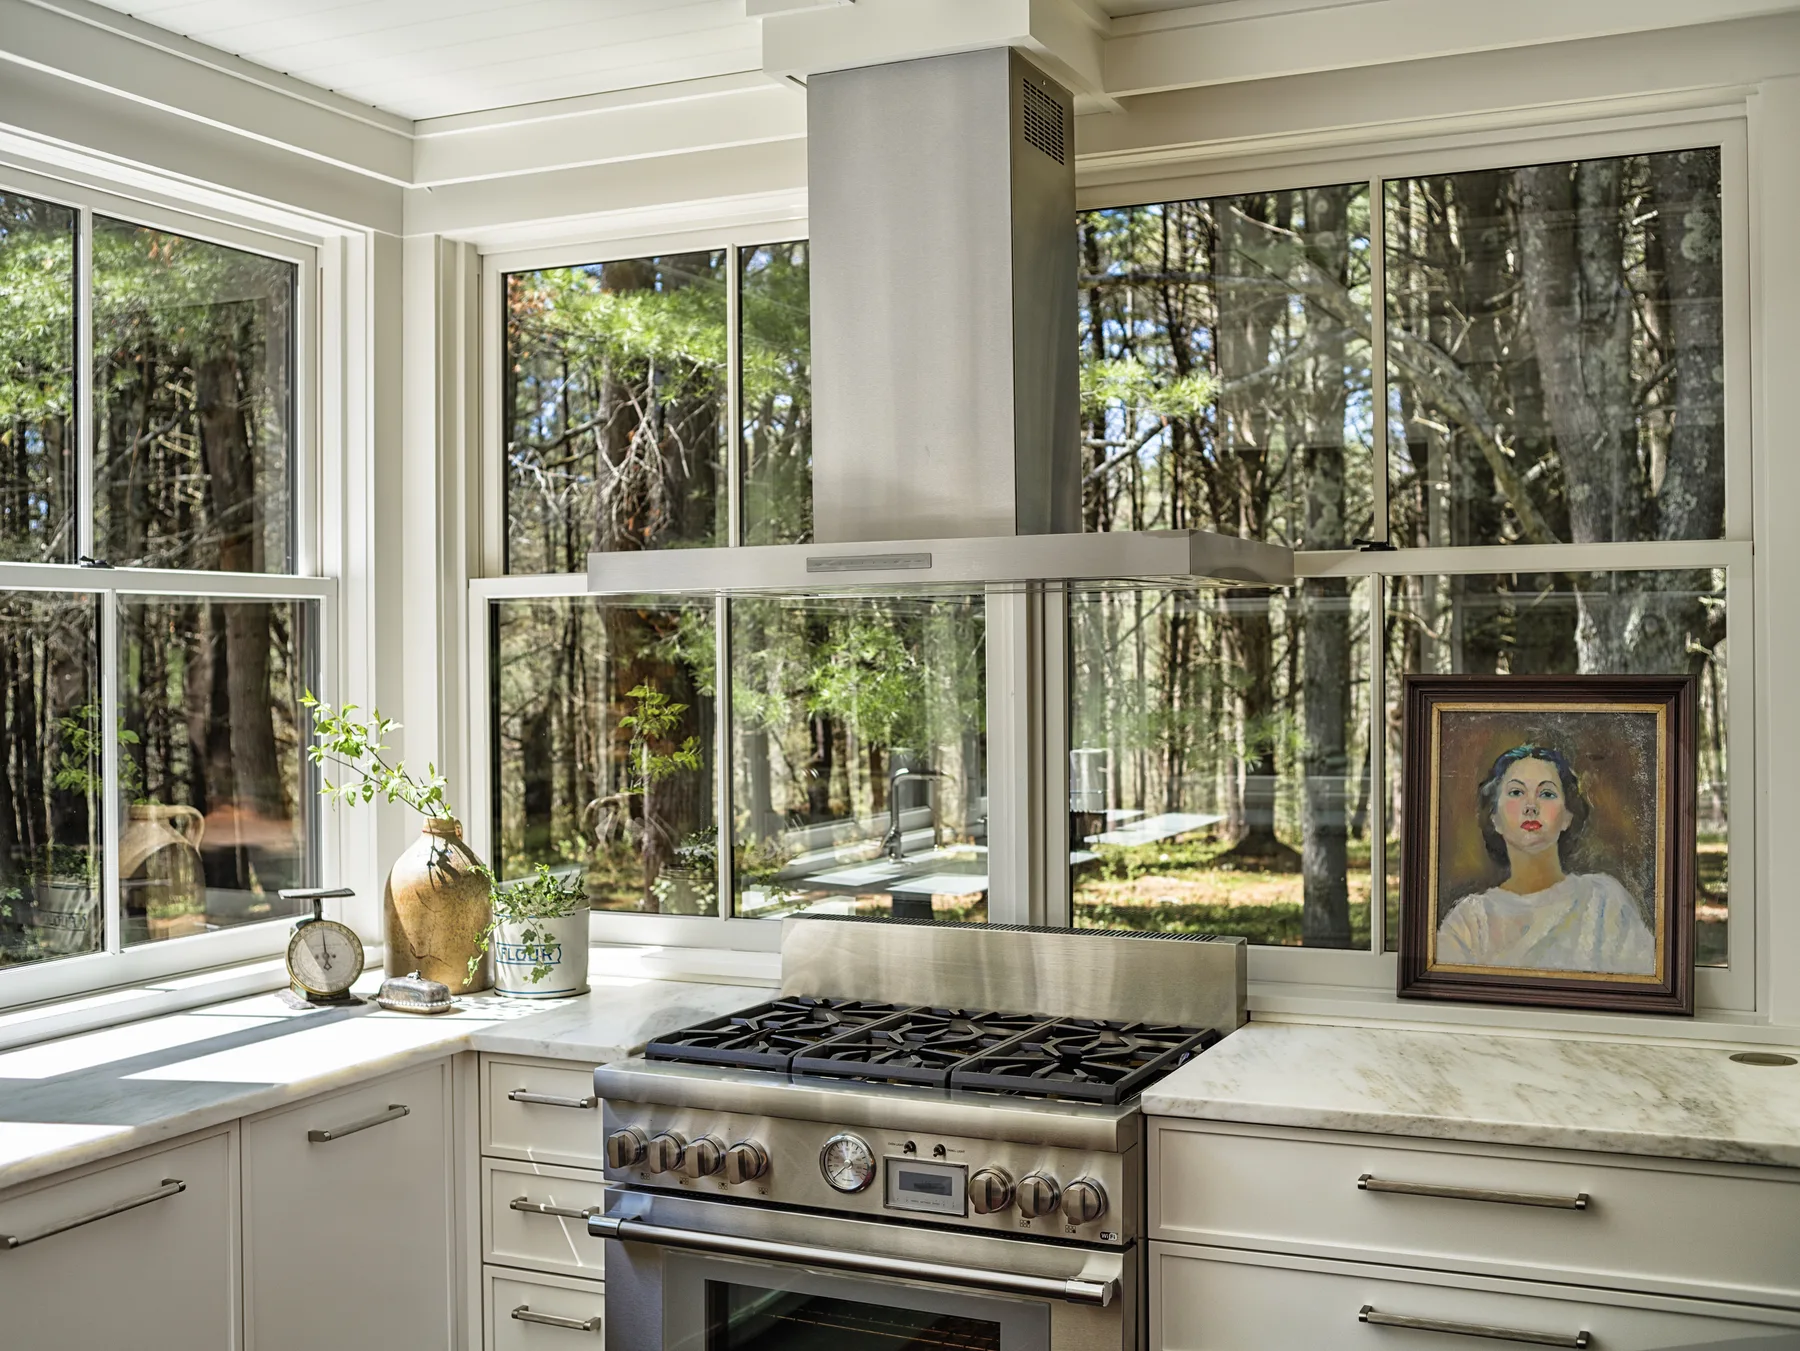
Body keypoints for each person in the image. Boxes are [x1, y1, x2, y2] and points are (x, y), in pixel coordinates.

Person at [1435, 743, 1655, 975]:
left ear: (1567, 817)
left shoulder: (1604, 902)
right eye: (1516, 793)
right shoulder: (1470, 923)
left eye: (1547, 794)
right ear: (1494, 818)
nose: (1531, 806)